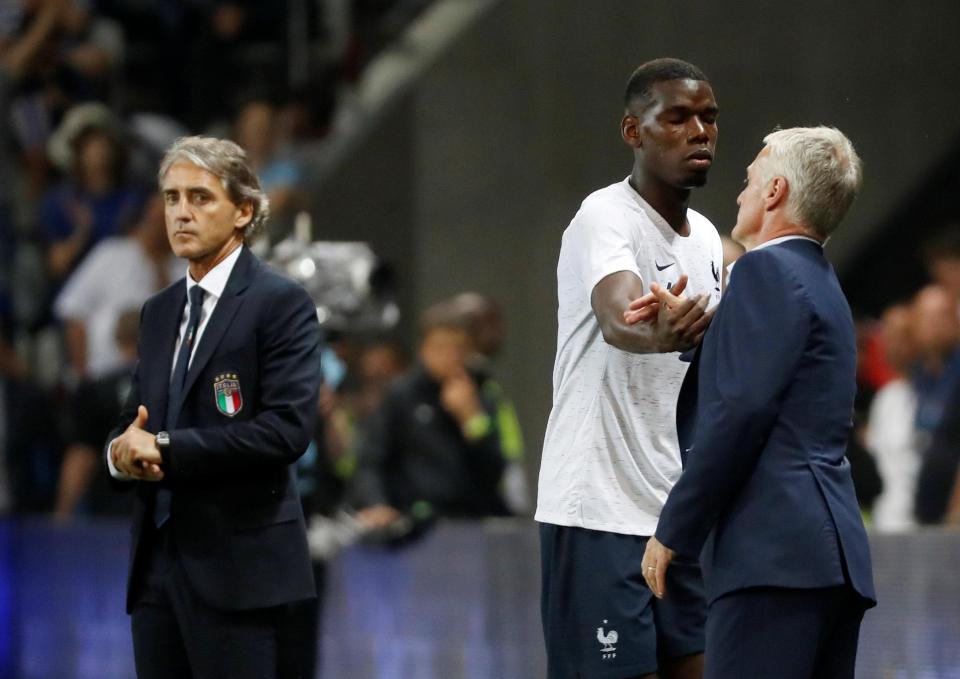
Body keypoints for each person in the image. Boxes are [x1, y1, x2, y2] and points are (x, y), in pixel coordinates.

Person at [641, 127, 876, 679]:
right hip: (827, 558)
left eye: (749, 182)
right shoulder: (820, 281)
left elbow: (741, 412)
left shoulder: (763, 272)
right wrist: (702, 332)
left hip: (773, 562)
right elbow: (774, 384)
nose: (741, 194)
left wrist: (674, 527)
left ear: (774, 193)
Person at [105, 135, 321, 679]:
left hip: (240, 574)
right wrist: (119, 453)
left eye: (200, 198)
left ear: (243, 210)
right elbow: (135, 420)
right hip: (155, 570)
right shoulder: (157, 313)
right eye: (172, 198)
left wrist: (169, 450)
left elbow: (286, 430)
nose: (181, 213)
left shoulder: (281, 303)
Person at [536, 58, 722, 679]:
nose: (699, 131)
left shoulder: (707, 240)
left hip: (671, 514)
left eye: (708, 118)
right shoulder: (604, 215)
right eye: (677, 118)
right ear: (633, 131)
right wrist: (663, 332)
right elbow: (620, 320)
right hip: (596, 507)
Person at [352, 305, 512, 531]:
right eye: (440, 347)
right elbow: (371, 460)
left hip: (471, 524)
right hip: (412, 524)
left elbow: (496, 472)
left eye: (457, 348)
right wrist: (376, 503)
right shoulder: (402, 395)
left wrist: (471, 420)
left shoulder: (483, 393)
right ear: (424, 349)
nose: (449, 357)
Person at [866, 304, 919, 531]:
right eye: (887, 336)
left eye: (900, 336)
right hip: (883, 521)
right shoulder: (885, 398)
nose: (892, 344)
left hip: (920, 525)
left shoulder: (932, 398)